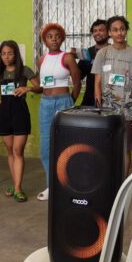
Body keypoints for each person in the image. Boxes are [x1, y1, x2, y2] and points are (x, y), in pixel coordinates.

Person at [0, 41, 41, 202]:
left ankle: (17, 188)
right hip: (3, 114)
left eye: (10, 53)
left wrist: (27, 88)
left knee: (18, 151)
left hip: (20, 113)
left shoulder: (24, 70)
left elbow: (39, 87)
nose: (6, 56)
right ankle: (16, 184)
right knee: (10, 151)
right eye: (3, 53)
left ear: (16, 54)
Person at [92, 16, 132, 174]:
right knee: (107, 147)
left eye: (122, 29)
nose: (119, 33)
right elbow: (97, 82)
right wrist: (98, 108)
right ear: (109, 32)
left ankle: (122, 182)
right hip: (107, 110)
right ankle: (109, 180)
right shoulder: (102, 53)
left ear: (126, 30)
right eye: (115, 30)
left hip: (128, 110)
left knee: (125, 148)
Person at [37, 23, 81, 201]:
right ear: (45, 40)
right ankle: (52, 185)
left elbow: (77, 83)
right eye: (50, 36)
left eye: (57, 36)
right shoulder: (42, 59)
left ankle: (69, 184)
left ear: (62, 38)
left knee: (67, 145)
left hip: (64, 102)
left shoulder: (68, 57)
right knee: (46, 148)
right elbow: (42, 84)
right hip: (45, 104)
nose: (54, 39)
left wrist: (69, 103)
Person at [75, 19, 109, 106]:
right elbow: (78, 77)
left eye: (101, 30)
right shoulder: (87, 53)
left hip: (111, 99)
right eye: (95, 31)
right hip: (90, 99)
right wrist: (72, 59)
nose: (97, 33)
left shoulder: (115, 51)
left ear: (109, 32)